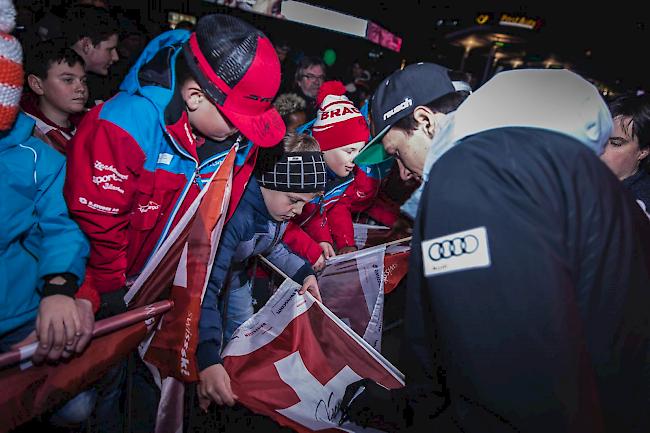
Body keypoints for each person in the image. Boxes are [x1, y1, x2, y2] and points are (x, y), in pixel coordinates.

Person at [346, 69, 650, 432]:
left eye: (397, 152)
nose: (403, 173)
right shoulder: (536, 161)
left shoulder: (469, 176)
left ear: (425, 121)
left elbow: (497, 369)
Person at [0, 1, 93, 427]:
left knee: (74, 406)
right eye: (68, 79)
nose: (80, 87)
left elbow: (61, 227)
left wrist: (59, 288)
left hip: (17, 318)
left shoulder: (39, 156)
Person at [197, 132, 324, 409]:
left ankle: (231, 388)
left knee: (242, 333)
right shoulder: (237, 216)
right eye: (294, 200)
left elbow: (271, 247)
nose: (297, 211)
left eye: (304, 202)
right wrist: (205, 357)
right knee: (212, 336)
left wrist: (304, 273)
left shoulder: (274, 208)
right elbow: (204, 287)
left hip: (236, 277)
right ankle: (204, 387)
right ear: (270, 181)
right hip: (212, 282)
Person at [282, 81, 379, 271]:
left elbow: (330, 207)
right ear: (325, 146)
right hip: (274, 254)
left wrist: (335, 240)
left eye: (360, 150)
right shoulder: (298, 172)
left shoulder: (341, 173)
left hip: (297, 247)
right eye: (349, 150)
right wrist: (311, 247)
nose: (356, 159)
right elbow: (280, 223)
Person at [21, 37, 88, 154]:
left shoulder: (91, 123)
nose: (81, 88)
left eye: (83, 80)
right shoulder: (31, 138)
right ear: (37, 85)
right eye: (68, 80)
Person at [600, 92, 650, 212]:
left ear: (643, 151)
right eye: (599, 138)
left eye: (615, 143)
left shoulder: (640, 207)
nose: (600, 149)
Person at [61, 4, 119, 105]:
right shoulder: (55, 86)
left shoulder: (100, 83)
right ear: (86, 45)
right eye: (110, 50)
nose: (115, 57)